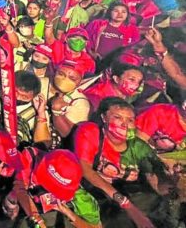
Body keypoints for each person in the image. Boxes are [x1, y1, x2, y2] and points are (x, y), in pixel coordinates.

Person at [73, 97, 180, 228]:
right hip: (94, 194)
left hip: (126, 195)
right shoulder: (90, 131)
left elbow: (156, 185)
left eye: (130, 120)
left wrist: (171, 182)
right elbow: (86, 170)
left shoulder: (138, 147)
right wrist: (127, 205)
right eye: (117, 117)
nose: (125, 124)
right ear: (104, 118)